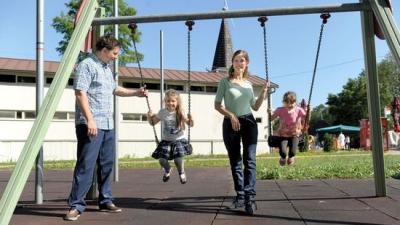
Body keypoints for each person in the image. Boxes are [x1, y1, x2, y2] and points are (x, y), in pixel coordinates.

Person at [64, 35, 148, 221]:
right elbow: (80, 93)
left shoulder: (106, 68)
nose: (116, 57)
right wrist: (90, 120)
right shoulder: (87, 65)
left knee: (107, 165)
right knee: (86, 165)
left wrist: (136, 93)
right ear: (104, 51)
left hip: (108, 124)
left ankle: (105, 200)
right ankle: (76, 205)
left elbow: (114, 89)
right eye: (115, 53)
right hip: (91, 124)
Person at [214, 49, 269, 215]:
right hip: (231, 123)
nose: (239, 63)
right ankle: (240, 194)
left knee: (250, 159)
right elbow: (217, 105)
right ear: (232, 63)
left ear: (247, 64)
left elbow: (256, 106)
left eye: (242, 60)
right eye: (236, 60)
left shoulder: (249, 84)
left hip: (249, 122)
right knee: (236, 160)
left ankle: (249, 197)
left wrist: (264, 93)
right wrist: (231, 115)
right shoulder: (225, 82)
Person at [147, 89, 194, 184]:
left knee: (178, 159)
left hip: (178, 140)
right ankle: (168, 169)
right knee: (162, 160)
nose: (170, 103)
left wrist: (191, 119)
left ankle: (181, 172)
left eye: (173, 101)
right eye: (168, 101)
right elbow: (153, 123)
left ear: (177, 102)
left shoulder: (180, 112)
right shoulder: (162, 112)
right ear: (165, 101)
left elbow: (190, 124)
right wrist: (149, 117)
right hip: (166, 140)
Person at [270, 91, 306, 166]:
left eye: (292, 103)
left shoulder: (299, 110)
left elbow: (307, 119)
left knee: (293, 152)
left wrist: (309, 112)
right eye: (287, 102)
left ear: (295, 102)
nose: (289, 105)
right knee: (283, 152)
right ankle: (283, 158)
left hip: (295, 135)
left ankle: (291, 157)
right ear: (284, 102)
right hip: (283, 135)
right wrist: (269, 113)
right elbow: (271, 119)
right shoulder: (280, 110)